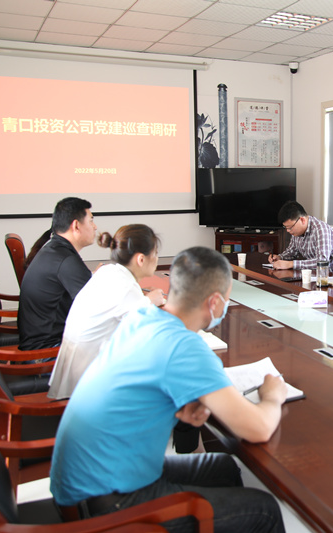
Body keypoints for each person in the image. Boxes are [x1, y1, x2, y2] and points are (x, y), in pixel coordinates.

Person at [50, 246, 287, 532]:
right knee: (265, 510)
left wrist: (180, 404)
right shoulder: (184, 346)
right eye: (226, 300)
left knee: (224, 468)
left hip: (78, 480)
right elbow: (258, 428)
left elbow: (142, 383)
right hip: (110, 499)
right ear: (214, 302)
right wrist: (272, 396)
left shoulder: (142, 318)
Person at [47, 224, 166, 400]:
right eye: (155, 253)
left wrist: (146, 300)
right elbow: (148, 332)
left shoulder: (108, 272)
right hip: (90, 386)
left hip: (80, 374)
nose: (157, 259)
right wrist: (150, 300)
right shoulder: (125, 286)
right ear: (141, 259)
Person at [18, 197, 96, 350]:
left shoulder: (55, 250)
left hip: (42, 343)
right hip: (47, 352)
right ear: (76, 225)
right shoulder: (65, 259)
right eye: (91, 221)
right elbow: (99, 307)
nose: (95, 227)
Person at [267, 200, 333, 276]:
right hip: (315, 276)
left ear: (302, 220)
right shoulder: (296, 231)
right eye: (286, 227)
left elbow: (322, 262)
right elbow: (291, 252)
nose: (288, 231)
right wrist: (280, 257)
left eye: (290, 227)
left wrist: (291, 264)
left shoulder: (321, 229)